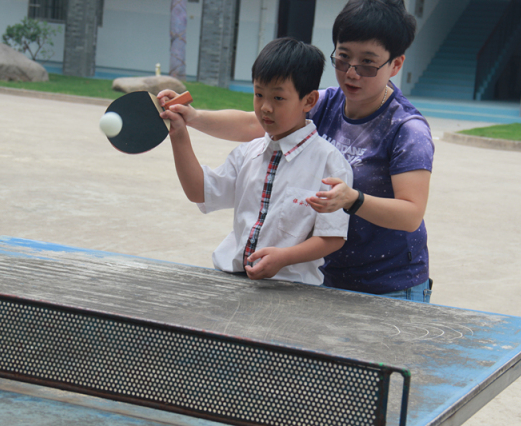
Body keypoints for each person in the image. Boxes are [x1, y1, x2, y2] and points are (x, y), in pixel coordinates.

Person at [159, 0, 435, 302]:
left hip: (388, 283)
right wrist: (193, 117)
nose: (352, 72)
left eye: (367, 63)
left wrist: (352, 199)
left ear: (395, 64)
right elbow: (257, 123)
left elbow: (410, 214)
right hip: (323, 277)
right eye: (343, 58)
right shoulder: (326, 102)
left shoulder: (406, 128)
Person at [162, 38, 354, 286]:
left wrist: (284, 257)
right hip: (232, 281)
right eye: (259, 94)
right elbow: (199, 191)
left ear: (308, 101)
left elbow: (332, 237)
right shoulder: (248, 153)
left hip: (292, 290)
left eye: (278, 98)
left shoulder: (330, 163)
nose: (265, 107)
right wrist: (179, 134)